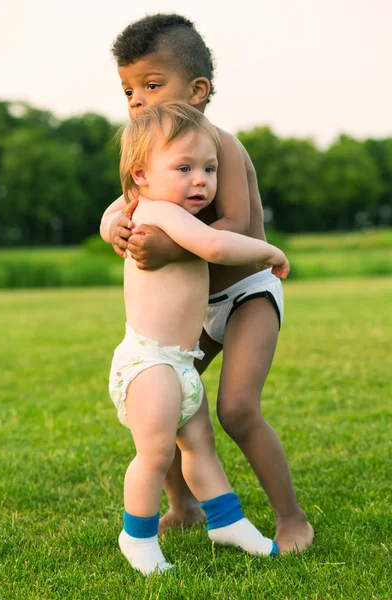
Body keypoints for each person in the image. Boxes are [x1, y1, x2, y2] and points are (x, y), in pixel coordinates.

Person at [101, 13, 314, 554]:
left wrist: (169, 246)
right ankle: (185, 504)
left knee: (236, 409)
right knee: (166, 401)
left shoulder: (221, 147)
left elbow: (234, 229)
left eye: (151, 85)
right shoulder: (153, 159)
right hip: (194, 310)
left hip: (247, 292)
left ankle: (291, 518)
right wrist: (115, 226)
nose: (136, 101)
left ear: (197, 90)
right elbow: (126, 209)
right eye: (128, 89)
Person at [108, 102, 289, 575]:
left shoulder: (154, 206)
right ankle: (138, 537)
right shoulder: (161, 213)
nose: (201, 181)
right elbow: (214, 245)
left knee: (199, 446)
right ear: (142, 175)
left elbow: (115, 215)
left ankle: (227, 521)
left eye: (209, 168)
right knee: (156, 452)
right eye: (184, 168)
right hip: (150, 364)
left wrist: (111, 222)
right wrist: (268, 248)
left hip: (180, 362)